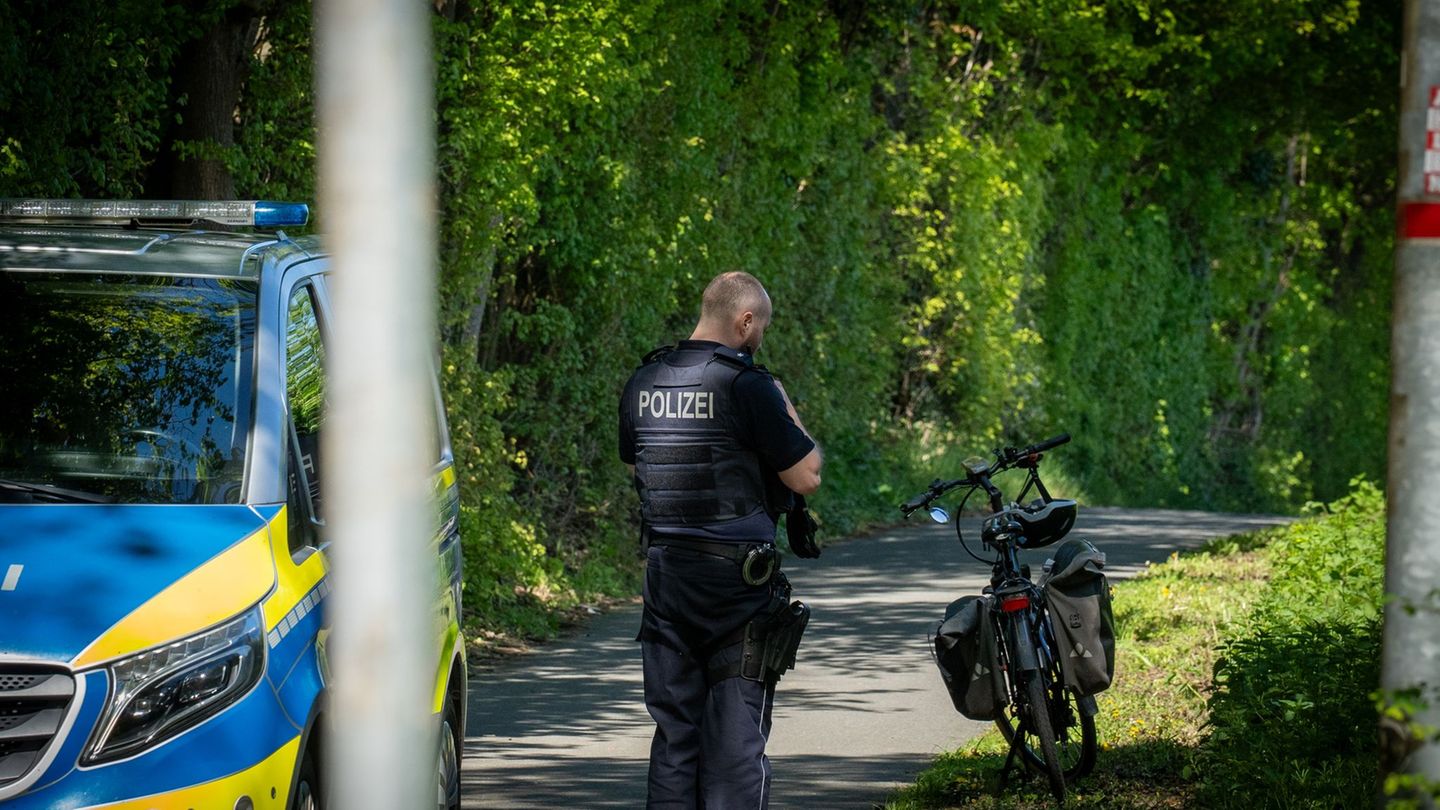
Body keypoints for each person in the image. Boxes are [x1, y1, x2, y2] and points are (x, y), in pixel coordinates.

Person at [619, 270, 823, 809]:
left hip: (666, 581)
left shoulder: (646, 381)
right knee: (734, 747)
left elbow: (638, 463)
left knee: (675, 741)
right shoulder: (749, 385)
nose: (761, 341)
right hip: (737, 590)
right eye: (762, 328)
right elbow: (805, 476)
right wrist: (783, 401)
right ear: (745, 320)